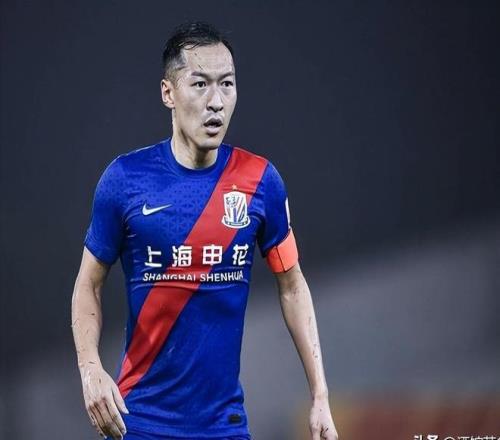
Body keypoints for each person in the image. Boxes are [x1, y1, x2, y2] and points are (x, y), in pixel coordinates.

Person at [71, 21, 339, 440]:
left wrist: (320, 394)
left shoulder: (260, 181)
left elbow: (293, 286)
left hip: (224, 426)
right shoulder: (124, 180)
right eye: (200, 84)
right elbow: (88, 284)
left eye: (226, 84)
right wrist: (90, 369)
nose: (216, 102)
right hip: (138, 422)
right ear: (168, 93)